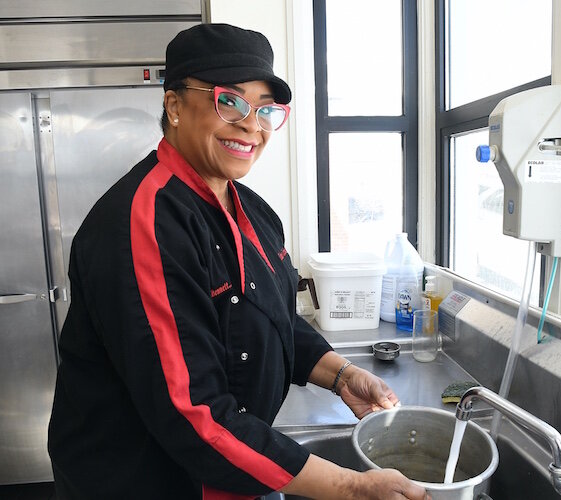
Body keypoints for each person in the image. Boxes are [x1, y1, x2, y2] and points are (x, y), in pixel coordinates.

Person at [47, 23, 428, 500]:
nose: (253, 125)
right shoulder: (144, 223)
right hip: (146, 479)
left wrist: (342, 375)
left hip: (235, 465)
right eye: (230, 101)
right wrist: (352, 488)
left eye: (267, 109)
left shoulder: (253, 211)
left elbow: (270, 316)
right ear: (174, 106)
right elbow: (193, 413)